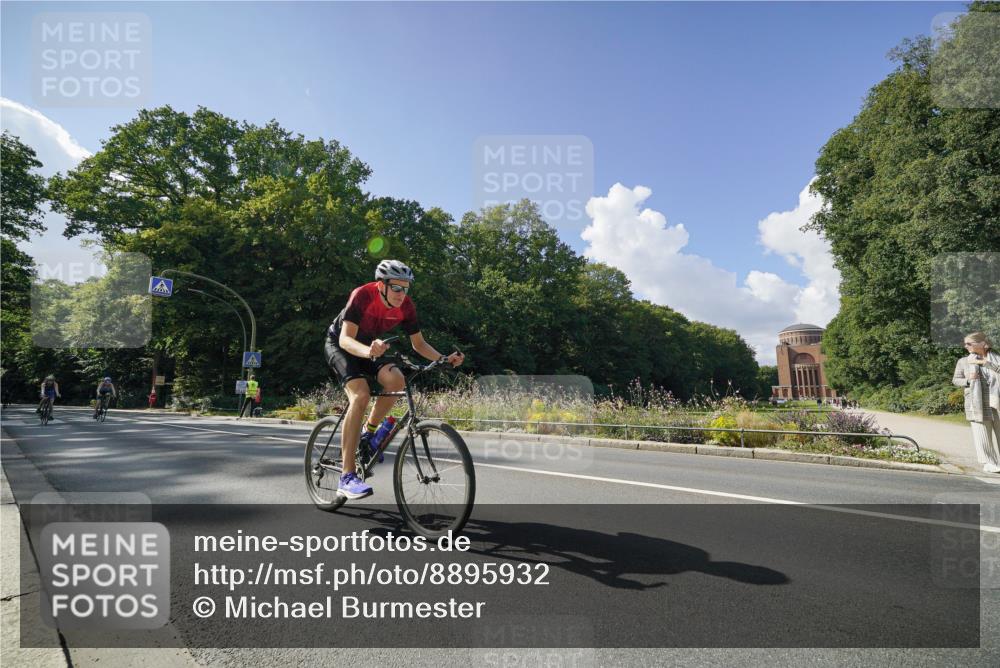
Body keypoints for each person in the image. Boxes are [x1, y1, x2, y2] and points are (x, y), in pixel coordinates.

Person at [324, 260, 464, 499]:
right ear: (381, 285)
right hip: (340, 345)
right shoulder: (362, 295)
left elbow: (418, 344)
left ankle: (368, 434)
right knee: (361, 394)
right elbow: (346, 339)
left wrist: (444, 358)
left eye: (406, 288)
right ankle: (346, 477)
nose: (402, 294)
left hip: (371, 347)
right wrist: (368, 351)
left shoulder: (406, 306)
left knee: (397, 381)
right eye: (396, 288)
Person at [952, 332, 1000, 474]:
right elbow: (955, 380)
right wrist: (968, 380)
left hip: (996, 402)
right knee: (982, 434)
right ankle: (989, 463)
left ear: (981, 344)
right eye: (965, 343)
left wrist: (986, 363)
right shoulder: (963, 361)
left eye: (969, 343)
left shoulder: (996, 358)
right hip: (976, 403)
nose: (965, 346)